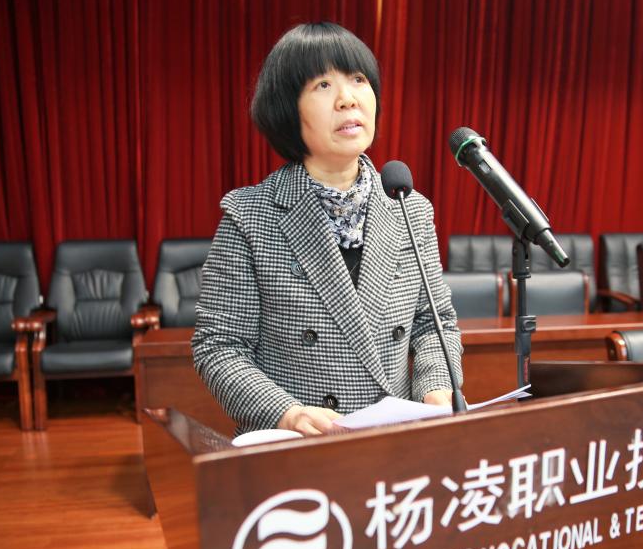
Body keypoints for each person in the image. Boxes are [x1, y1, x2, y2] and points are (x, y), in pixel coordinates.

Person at [191, 22, 463, 437]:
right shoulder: (250, 216)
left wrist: (436, 389)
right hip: (300, 446)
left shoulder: (409, 208)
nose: (347, 98)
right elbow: (219, 345)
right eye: (322, 84)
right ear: (288, 108)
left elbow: (434, 325)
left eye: (358, 79)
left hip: (395, 441)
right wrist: (287, 412)